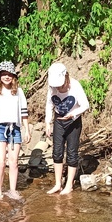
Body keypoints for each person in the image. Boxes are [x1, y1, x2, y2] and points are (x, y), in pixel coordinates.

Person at [0, 61, 31, 201]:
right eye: (4, 74)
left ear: (13, 76)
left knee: (14, 161)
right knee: (1, 162)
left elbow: (24, 113)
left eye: (9, 74)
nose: (6, 77)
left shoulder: (19, 92)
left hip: (14, 128)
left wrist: (27, 130)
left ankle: (13, 190)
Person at [44, 62, 90, 195]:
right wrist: (48, 123)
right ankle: (58, 184)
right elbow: (49, 105)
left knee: (71, 153)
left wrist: (73, 114)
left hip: (73, 121)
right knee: (57, 152)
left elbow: (85, 105)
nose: (58, 87)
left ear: (66, 77)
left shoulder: (75, 86)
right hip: (59, 120)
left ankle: (69, 184)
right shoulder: (52, 87)